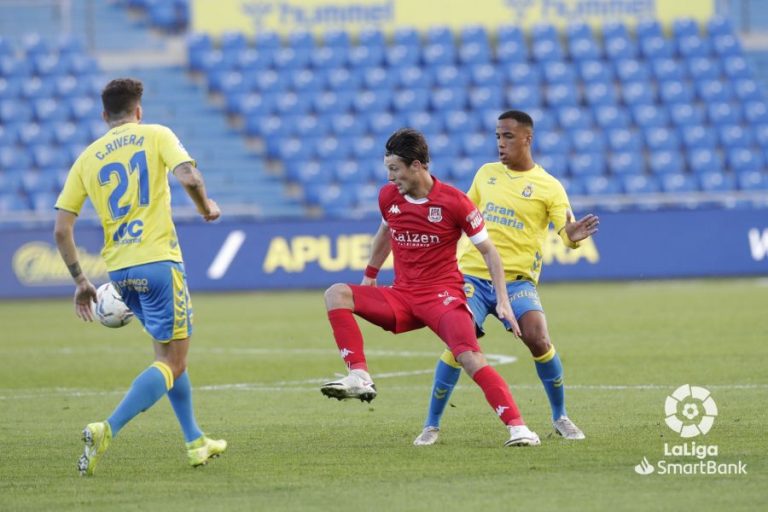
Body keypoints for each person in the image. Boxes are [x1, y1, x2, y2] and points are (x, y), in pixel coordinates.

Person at [320, 128, 540, 447]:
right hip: (402, 297)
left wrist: (503, 301)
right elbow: (386, 233)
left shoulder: (455, 202)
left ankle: (519, 428)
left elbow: (490, 252)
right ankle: (359, 376)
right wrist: (369, 275)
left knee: (469, 358)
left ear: (417, 166)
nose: (389, 176)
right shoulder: (388, 197)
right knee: (336, 293)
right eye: (388, 169)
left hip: (444, 298)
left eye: (394, 168)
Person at [54, 78, 227, 476]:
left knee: (166, 358)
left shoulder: (87, 158)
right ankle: (106, 429)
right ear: (138, 111)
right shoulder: (156, 134)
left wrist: (82, 281)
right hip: (160, 262)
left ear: (104, 116)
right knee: (175, 362)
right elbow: (190, 177)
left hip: (120, 270)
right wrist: (205, 208)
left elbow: (62, 229)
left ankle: (194, 441)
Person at [413, 110, 600, 446]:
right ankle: (431, 425)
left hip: (516, 281)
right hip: (471, 275)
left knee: (538, 336)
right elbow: (461, 214)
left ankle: (560, 417)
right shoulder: (486, 175)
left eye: (508, 136)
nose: (500, 143)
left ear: (527, 138)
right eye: (498, 136)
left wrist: (572, 234)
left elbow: (567, 235)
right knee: (460, 340)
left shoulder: (550, 187)